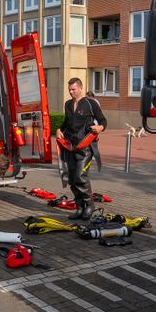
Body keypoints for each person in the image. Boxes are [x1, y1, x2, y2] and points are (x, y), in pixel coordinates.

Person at [56, 78, 107, 220]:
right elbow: (67, 122)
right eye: (69, 90)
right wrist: (59, 129)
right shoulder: (68, 104)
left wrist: (100, 127)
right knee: (72, 178)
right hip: (70, 146)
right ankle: (79, 207)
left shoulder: (91, 103)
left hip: (86, 147)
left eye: (73, 89)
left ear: (80, 88)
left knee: (80, 176)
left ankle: (89, 205)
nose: (71, 92)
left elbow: (103, 120)